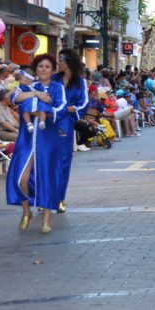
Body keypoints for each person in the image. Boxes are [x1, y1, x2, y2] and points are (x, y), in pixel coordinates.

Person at [6, 54, 66, 234]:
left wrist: (41, 111)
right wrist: (36, 94)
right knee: (21, 178)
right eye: (40, 66)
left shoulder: (58, 88)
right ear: (36, 69)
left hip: (48, 137)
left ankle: (47, 218)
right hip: (27, 137)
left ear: (53, 70)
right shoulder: (28, 86)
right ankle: (26, 211)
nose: (44, 70)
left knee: (46, 176)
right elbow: (15, 98)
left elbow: (60, 109)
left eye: (47, 67)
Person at [52, 49, 89, 213]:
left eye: (60, 60)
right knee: (47, 161)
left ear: (69, 62)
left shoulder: (80, 82)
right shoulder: (53, 79)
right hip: (50, 121)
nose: (58, 63)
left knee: (64, 162)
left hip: (66, 123)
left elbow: (84, 102)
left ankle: (60, 198)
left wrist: (74, 109)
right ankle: (44, 198)